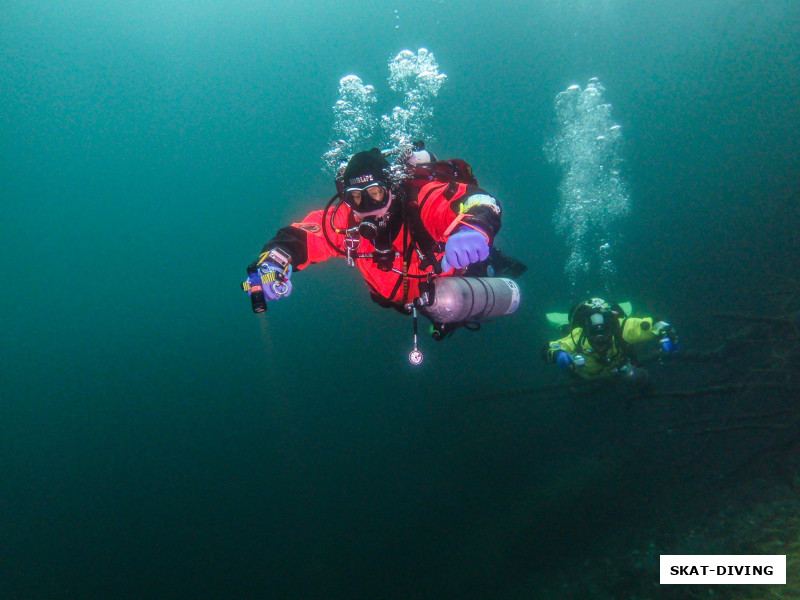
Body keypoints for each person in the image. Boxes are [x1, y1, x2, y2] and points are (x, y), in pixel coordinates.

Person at [242, 145, 522, 344]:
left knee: (458, 293)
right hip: (395, 299)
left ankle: (493, 264)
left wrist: (472, 229)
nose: (367, 208)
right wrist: (271, 263)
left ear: (391, 188)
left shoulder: (422, 202)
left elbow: (477, 200)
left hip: (452, 278)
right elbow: (300, 236)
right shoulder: (346, 220)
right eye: (355, 198)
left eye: (374, 194)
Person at [542, 298, 680, 388]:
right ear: (587, 331)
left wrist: (667, 335)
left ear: (612, 328)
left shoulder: (621, 328)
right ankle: (563, 326)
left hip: (617, 370)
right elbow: (549, 348)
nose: (600, 340)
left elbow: (654, 323)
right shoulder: (578, 335)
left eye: (604, 335)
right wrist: (558, 354)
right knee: (577, 388)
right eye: (595, 337)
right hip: (583, 376)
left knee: (638, 379)